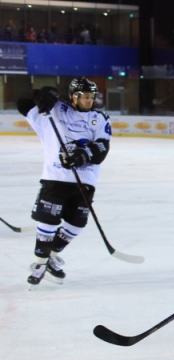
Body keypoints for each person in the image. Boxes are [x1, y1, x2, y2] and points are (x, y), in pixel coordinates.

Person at [16, 77, 111, 287]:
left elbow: (102, 148)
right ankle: (39, 263)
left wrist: (81, 155)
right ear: (74, 96)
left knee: (77, 223)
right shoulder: (54, 110)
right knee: (48, 220)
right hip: (55, 177)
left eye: (91, 97)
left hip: (85, 180)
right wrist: (39, 94)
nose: (89, 101)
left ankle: (51, 256)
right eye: (85, 97)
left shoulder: (100, 117)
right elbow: (22, 103)